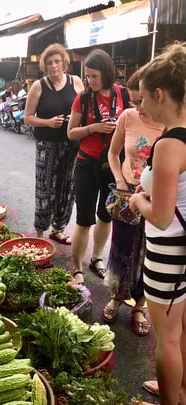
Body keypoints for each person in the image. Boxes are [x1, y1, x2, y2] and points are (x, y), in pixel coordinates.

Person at [129, 42, 186, 405]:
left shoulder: (169, 144)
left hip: (170, 250)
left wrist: (137, 200)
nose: (142, 107)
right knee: (182, 332)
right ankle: (180, 392)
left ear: (160, 93)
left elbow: (162, 217)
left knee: (166, 337)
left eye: (144, 99)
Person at [102, 70, 164, 336]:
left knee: (147, 254)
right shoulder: (127, 117)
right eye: (133, 101)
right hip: (127, 197)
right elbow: (113, 153)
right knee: (121, 249)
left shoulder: (169, 125)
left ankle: (139, 305)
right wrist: (120, 180)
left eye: (141, 101)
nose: (137, 107)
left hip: (157, 200)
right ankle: (116, 296)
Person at [67, 49, 129, 284]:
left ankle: (96, 258)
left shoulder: (122, 94)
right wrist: (94, 127)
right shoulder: (82, 97)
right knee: (84, 218)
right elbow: (71, 132)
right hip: (87, 162)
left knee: (106, 215)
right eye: (87, 76)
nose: (90, 81)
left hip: (114, 163)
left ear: (106, 73)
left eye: (94, 76)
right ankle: (77, 268)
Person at [24, 43, 84, 245]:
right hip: (47, 146)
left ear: (64, 63)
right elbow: (28, 118)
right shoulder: (39, 86)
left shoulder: (76, 82)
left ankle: (59, 228)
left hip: (72, 144)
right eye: (49, 63)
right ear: (45, 66)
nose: (54, 66)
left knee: (67, 188)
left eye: (57, 61)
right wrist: (48, 123)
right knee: (45, 188)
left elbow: (84, 110)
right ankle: (40, 232)